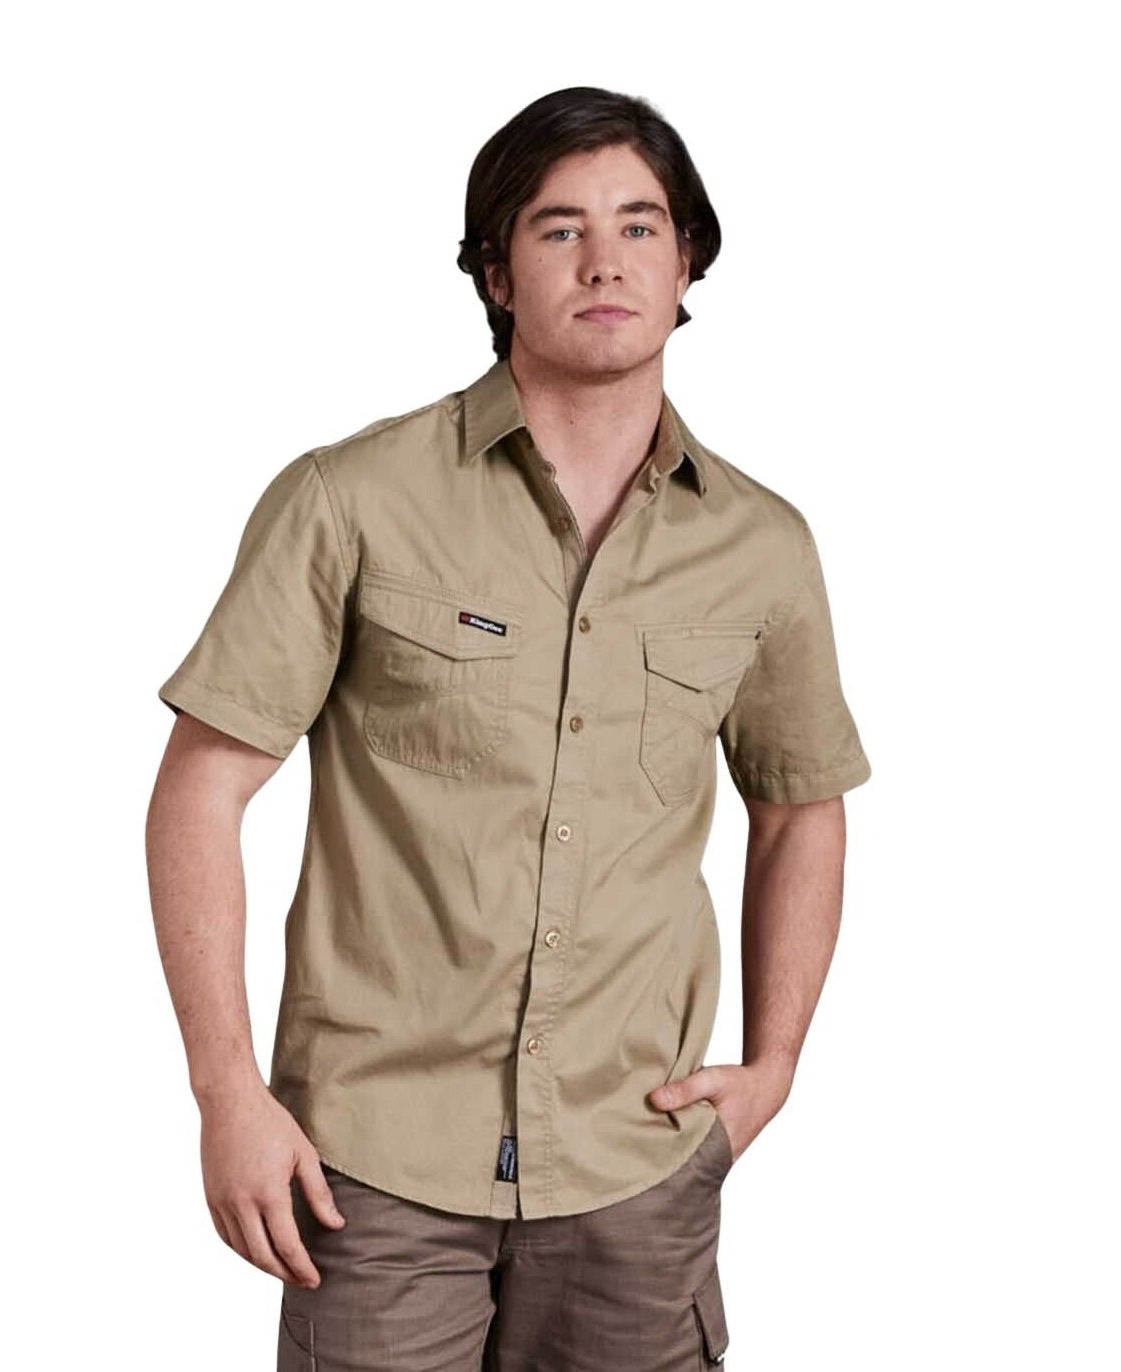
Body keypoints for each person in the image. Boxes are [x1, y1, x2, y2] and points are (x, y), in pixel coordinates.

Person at [146, 84, 871, 1371]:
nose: (604, 262)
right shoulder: (349, 499)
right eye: (557, 229)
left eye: (639, 226)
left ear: (686, 262)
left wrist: (770, 1068)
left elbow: (799, 806)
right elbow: (200, 790)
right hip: (370, 1169)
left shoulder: (760, 546)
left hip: (634, 1164)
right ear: (494, 272)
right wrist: (226, 1093)